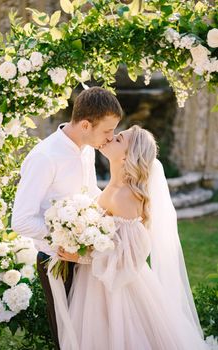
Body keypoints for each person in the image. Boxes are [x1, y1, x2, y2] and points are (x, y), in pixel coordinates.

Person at [54, 125, 209, 350]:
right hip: (98, 282)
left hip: (118, 290)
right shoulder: (115, 186)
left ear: (128, 155)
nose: (110, 138)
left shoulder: (127, 195)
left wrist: (80, 257)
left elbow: (130, 258)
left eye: (118, 139)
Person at [11, 86, 122, 350]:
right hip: (56, 261)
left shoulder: (87, 149)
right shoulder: (44, 158)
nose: (111, 137)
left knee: (91, 334)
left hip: (85, 257)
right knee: (68, 336)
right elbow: (22, 220)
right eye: (107, 131)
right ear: (85, 124)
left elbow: (89, 193)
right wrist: (68, 238)